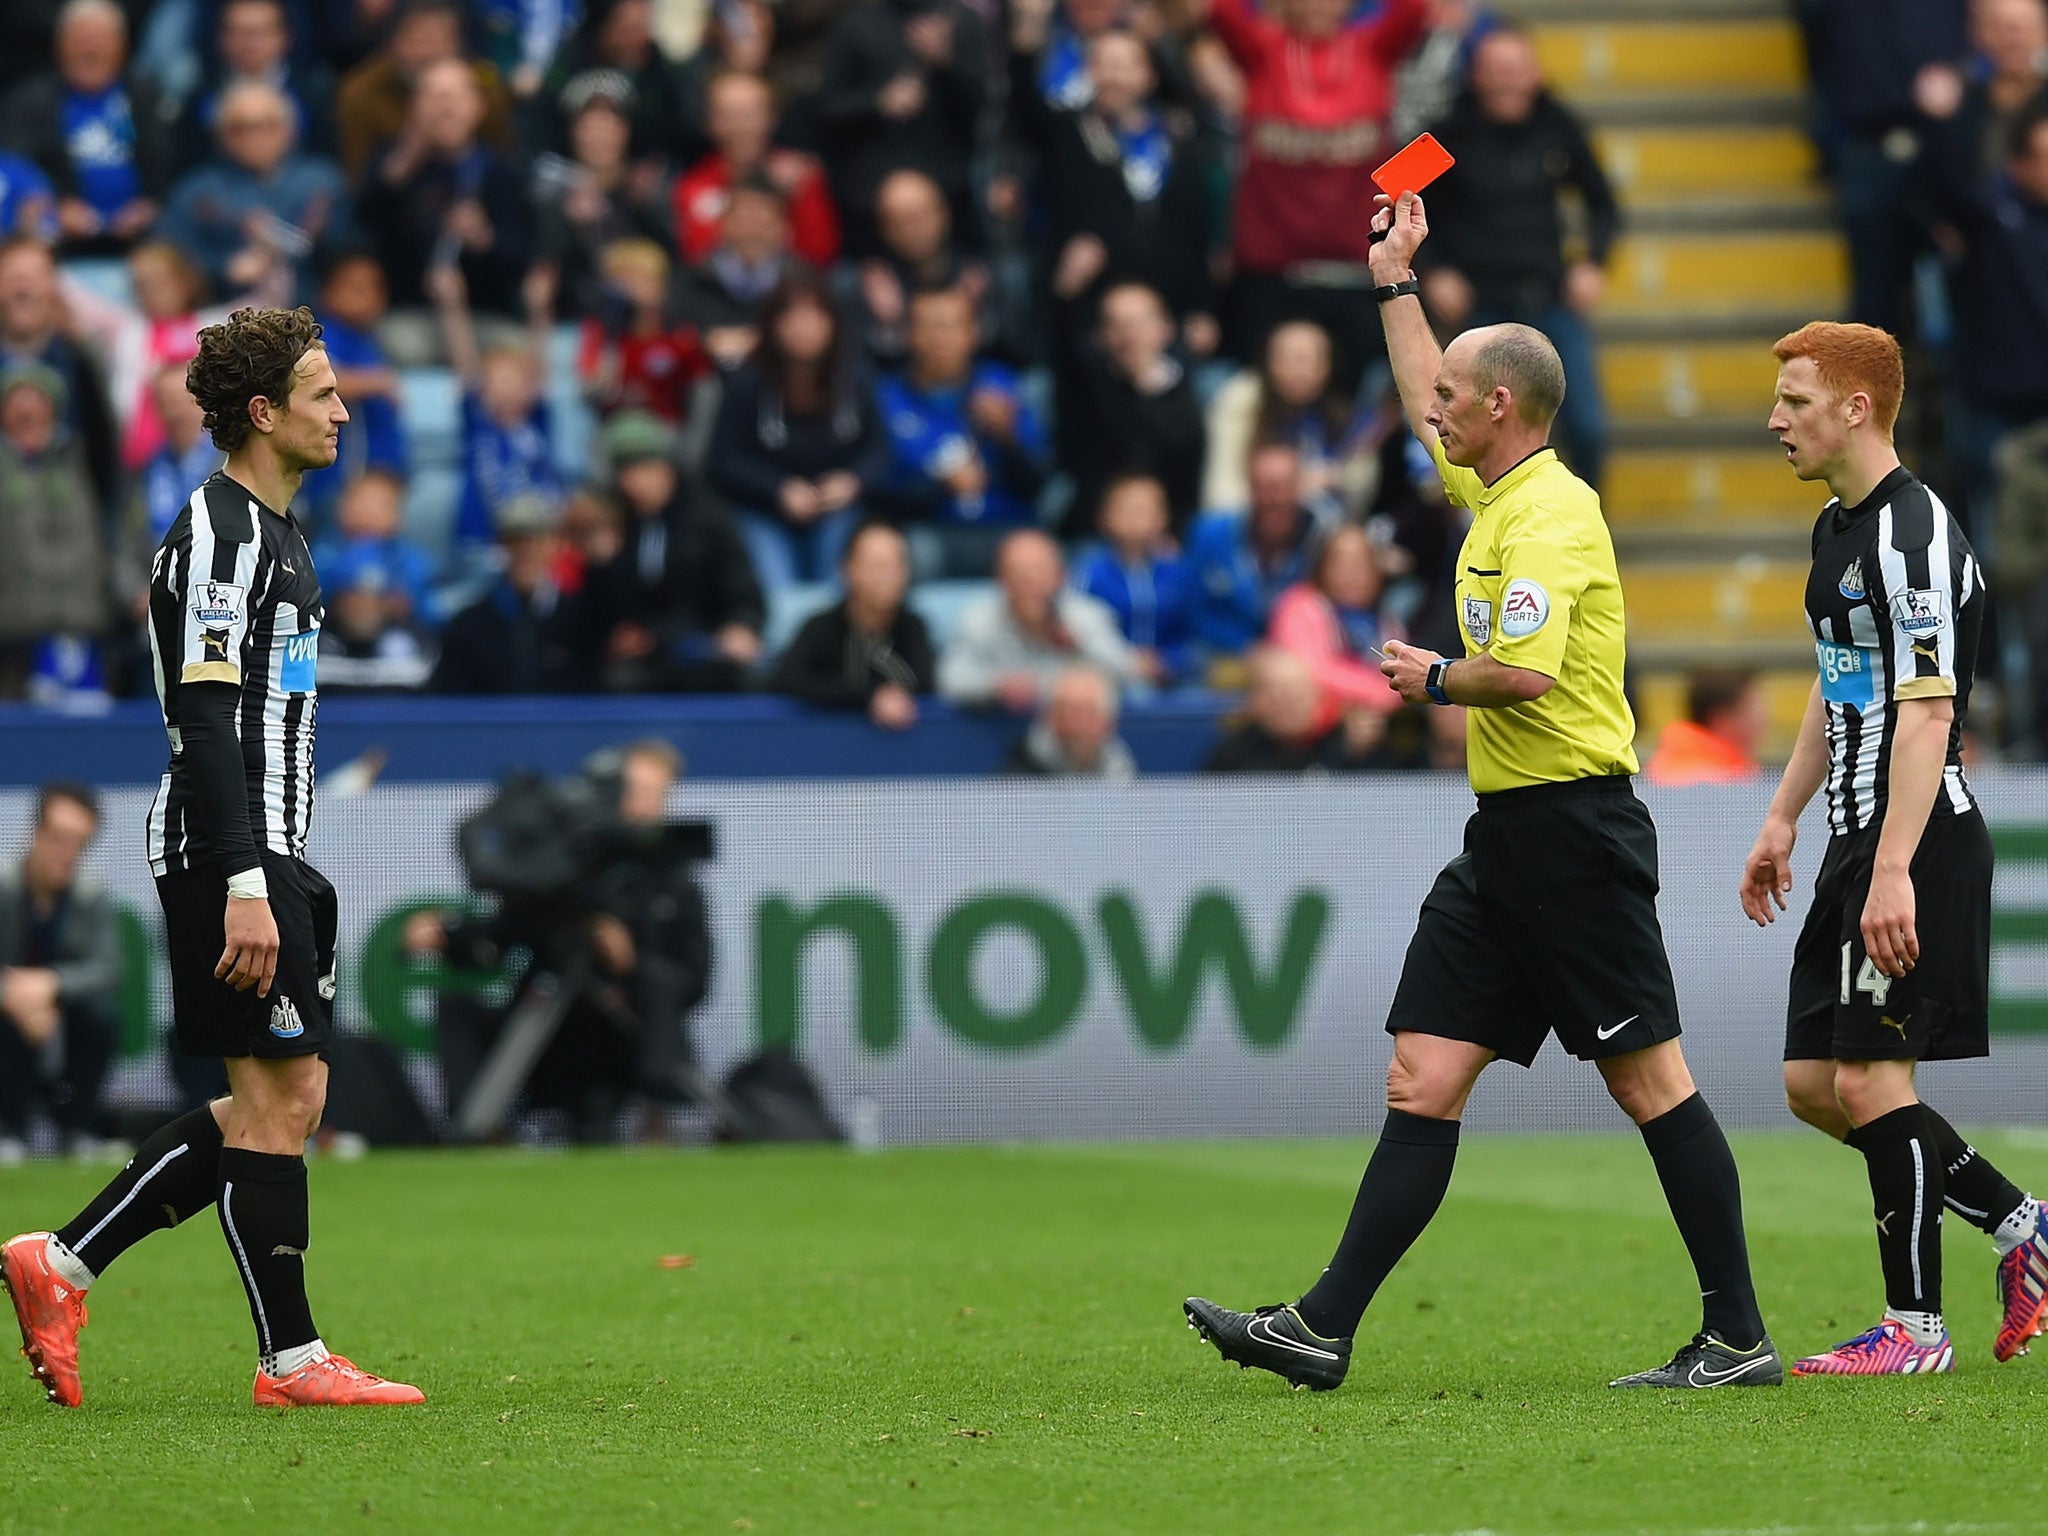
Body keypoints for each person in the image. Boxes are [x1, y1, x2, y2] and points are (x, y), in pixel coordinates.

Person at [1184, 188, 1779, 1393]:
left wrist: (1428, 677)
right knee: (1423, 1071)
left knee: (1648, 1080)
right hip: (1505, 838)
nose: (1431, 414)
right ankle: (1320, 1325)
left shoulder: (1550, 516)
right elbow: (1420, 396)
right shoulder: (1496, 488)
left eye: (1454, 399)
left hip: (1572, 828)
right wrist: (1395, 282)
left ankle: (1736, 1336)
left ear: (1498, 409)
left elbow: (1525, 671)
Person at [2, 304, 425, 1409]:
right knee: (278, 1103)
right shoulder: (220, 537)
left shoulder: (278, 531)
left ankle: (62, 1261)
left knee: (280, 1099)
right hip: (223, 847)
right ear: (262, 412)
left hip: (265, 844)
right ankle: (290, 1361)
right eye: (323, 393)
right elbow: (201, 719)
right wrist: (244, 881)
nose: (342, 408)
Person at [1740, 320, 2048, 1375]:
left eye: (1793, 399)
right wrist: (1782, 815)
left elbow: (1924, 717)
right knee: (1810, 1083)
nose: (1774, 418)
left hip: (1912, 839)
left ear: (1855, 408)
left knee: (1871, 1083)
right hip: (1853, 836)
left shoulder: (1908, 535)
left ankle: (1912, 1331)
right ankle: (2018, 1224)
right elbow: (1840, 690)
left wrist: (1886, 870)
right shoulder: (1836, 525)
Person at [409, 739, 712, 1144]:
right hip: (539, 1038)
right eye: (631, 789)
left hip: (618, 1033)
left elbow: (693, 983)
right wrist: (447, 938)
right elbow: (496, 947)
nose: (639, 804)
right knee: (457, 1005)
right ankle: (481, 1133)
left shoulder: (674, 885)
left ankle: (661, 1110)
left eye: (653, 794)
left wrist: (629, 963)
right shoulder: (559, 871)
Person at [1419, 25, 1618, 486]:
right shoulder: (1448, 133)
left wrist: (1593, 263)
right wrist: (1432, 271)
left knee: (1588, 428)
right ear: (1475, 76)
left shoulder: (1559, 126)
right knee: (1474, 431)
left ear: (1536, 75)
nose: (1506, 82)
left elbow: (1604, 204)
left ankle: (1586, 523)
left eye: (1516, 70)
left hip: (1549, 304)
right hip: (1479, 313)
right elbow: (1394, 197)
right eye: (1495, 71)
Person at [1202, 0, 1426, 382]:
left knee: (1354, 395)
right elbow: (1222, 11)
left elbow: (1414, 10)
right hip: (1269, 266)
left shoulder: (1373, 48)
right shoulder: (1262, 49)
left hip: (1356, 262)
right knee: (1259, 389)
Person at [1008, 0, 1217, 347]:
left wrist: (1203, 309)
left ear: (1148, 75)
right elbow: (1024, 104)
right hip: (1092, 316)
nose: (1113, 76)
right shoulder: (1069, 133)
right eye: (1103, 64)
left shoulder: (1179, 139)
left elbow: (1198, 232)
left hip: (1170, 312)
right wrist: (1029, 26)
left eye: (1124, 65)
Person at [705, 270, 890, 587]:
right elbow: (723, 459)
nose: (804, 329)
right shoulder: (748, 382)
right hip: (763, 509)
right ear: (772, 325)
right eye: (791, 318)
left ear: (833, 324)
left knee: (840, 577)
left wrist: (852, 480)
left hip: (834, 509)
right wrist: (778, 488)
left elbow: (880, 448)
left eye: (815, 317)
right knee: (775, 582)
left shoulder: (854, 378)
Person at [357, 57, 533, 361]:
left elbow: (521, 260)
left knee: (515, 354)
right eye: (434, 97)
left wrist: (483, 239)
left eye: (455, 97)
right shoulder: (392, 164)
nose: (445, 108)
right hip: (413, 314)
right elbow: (364, 224)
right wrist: (404, 162)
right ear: (415, 106)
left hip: (484, 315)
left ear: (478, 106)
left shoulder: (501, 170)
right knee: (398, 346)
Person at [873, 284, 1050, 576]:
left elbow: (1038, 486)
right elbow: (877, 494)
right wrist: (941, 486)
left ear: (974, 333)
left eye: (951, 326)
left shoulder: (1003, 386)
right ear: (908, 335)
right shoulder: (886, 397)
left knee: (1032, 556)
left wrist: (1008, 439)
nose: (940, 339)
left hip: (1006, 526)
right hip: (929, 530)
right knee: (907, 554)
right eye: (928, 327)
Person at [588, 411, 765, 693]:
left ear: (667, 468)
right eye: (626, 471)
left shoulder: (709, 520)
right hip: (645, 656)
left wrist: (741, 626)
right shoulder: (615, 526)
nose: (635, 482)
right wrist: (605, 566)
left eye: (645, 468)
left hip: (704, 646)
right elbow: (603, 609)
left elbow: (742, 589)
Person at [0, 784, 122, 1165]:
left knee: (101, 1016)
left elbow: (108, 967)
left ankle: (78, 1130)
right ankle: (8, 1132)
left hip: (61, 1016)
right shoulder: (4, 885)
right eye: (58, 838)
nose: (67, 853)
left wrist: (51, 985)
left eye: (79, 842)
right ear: (35, 832)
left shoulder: (91, 894)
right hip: (6, 1010)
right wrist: (12, 993)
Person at [816, 0, 989, 259]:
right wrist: (877, 104)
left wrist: (946, 62)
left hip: (948, 190)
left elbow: (983, 107)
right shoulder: (854, 25)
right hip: (869, 202)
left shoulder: (961, 21)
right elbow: (827, 110)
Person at [154, 80, 352, 306]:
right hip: (223, 318)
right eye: (240, 127)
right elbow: (166, 256)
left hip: (316, 314)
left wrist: (314, 239)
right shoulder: (197, 190)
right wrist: (222, 268)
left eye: (268, 125)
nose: (255, 136)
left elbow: (351, 254)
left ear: (291, 130)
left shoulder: (323, 182)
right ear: (221, 136)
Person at [0, 0, 176, 253]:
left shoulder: (146, 97)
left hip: (142, 243)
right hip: (58, 246)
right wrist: (55, 206)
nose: (89, 49)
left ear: (122, 46)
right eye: (80, 39)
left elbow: (171, 167)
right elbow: (14, 171)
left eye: (100, 39)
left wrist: (152, 204)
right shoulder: (28, 103)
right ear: (59, 45)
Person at [1057, 280, 1206, 535]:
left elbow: (1186, 474)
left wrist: (1146, 381)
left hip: (1172, 533)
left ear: (1166, 328)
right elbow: (1095, 461)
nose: (1128, 334)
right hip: (1096, 531)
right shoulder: (1086, 390)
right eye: (1114, 324)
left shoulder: (1192, 390)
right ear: (1100, 336)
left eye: (1138, 322)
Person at [430, 263, 560, 556]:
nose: (506, 387)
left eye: (514, 379)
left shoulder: (537, 423)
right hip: (484, 543)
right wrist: (452, 305)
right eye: (495, 379)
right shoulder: (478, 421)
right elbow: (464, 362)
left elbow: (539, 368)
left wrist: (539, 310)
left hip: (540, 540)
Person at [938, 528, 1146, 708]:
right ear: (1000, 579)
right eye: (1017, 571)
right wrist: (996, 687)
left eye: (1039, 570)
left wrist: (1079, 645)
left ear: (1060, 576)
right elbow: (950, 680)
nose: (1030, 581)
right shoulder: (978, 620)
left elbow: (1126, 672)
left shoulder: (1087, 616)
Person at [1202, 320, 1385, 521]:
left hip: (1319, 529)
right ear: (1269, 362)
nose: (1302, 371)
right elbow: (1221, 495)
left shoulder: (1343, 415)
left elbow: (1359, 494)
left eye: (1313, 360)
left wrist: (1337, 478)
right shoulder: (1240, 402)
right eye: (1292, 359)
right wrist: (1289, 491)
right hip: (1250, 524)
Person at [0, 364, 108, 701]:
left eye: (36, 401)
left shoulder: (85, 459)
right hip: (12, 642)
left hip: (84, 635)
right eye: (16, 403)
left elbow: (100, 414)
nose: (26, 410)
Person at [532, 78, 676, 324]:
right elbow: (546, 276)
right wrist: (574, 228)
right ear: (573, 132)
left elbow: (673, 256)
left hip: (646, 323)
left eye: (609, 126)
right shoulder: (552, 193)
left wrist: (646, 207)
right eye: (589, 126)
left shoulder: (648, 190)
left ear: (625, 131)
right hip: (576, 324)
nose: (599, 136)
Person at [772, 520, 935, 727]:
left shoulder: (913, 627)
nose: (888, 575)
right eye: (877, 565)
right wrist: (870, 696)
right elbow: (788, 680)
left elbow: (926, 684)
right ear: (848, 569)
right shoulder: (821, 628)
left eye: (897, 563)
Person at [674, 69, 840, 271]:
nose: (740, 126)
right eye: (727, 115)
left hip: (790, 290)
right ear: (710, 123)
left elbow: (821, 256)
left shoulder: (800, 176)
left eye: (750, 113)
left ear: (771, 118)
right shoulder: (694, 186)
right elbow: (697, 256)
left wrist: (796, 200)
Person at [433, 494, 600, 694]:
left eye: (537, 541)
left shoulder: (582, 620)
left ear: (555, 545)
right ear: (500, 546)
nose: (526, 552)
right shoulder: (468, 627)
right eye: (515, 541)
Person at [333, 0, 513, 182]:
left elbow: (503, 158)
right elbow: (357, 180)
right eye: (417, 40)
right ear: (393, 43)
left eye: (440, 41)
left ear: (459, 45)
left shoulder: (485, 86)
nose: (428, 53)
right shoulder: (361, 92)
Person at [1184, 442, 1325, 663]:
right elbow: (1193, 610)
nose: (1272, 498)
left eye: (1282, 486)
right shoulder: (1211, 535)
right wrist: (1245, 647)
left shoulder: (1323, 539)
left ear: (1299, 487)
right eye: (1263, 486)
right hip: (1220, 656)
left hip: (1301, 659)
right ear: (1249, 487)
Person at [1267, 522, 1404, 733]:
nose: (1351, 573)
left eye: (1361, 562)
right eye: (1341, 562)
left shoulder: (1386, 620)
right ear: (1322, 565)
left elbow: (1404, 676)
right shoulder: (1299, 605)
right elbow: (1313, 671)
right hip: (1313, 733)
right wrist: (1381, 694)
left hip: (1380, 729)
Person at [1073, 473, 1195, 685]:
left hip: (1171, 676)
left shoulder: (1178, 571)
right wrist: (1129, 661)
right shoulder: (1089, 571)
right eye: (1127, 509)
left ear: (1164, 516)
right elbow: (1080, 628)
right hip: (1108, 674)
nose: (1137, 516)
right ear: (1105, 516)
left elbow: (1192, 629)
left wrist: (1169, 661)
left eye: (1147, 509)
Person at [575, 239, 713, 426]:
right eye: (623, 281)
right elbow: (588, 391)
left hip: (666, 434)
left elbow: (703, 393)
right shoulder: (601, 337)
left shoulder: (681, 339)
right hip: (614, 434)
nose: (633, 289)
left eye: (643, 279)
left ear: (662, 286)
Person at [1201, 644, 1371, 774]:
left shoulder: (1352, 745)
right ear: (1254, 700)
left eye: (1296, 692)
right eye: (1274, 693)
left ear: (1317, 697)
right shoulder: (1234, 752)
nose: (1286, 704)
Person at [1007, 665, 1138, 779]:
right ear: (1050, 718)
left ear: (1108, 721)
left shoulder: (1122, 771)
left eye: (1087, 713)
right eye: (1066, 712)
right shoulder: (1019, 777)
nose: (1076, 725)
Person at [1644, 671, 1765, 788]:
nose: (1762, 719)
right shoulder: (1708, 779)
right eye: (1752, 710)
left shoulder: (1736, 768)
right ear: (1721, 718)